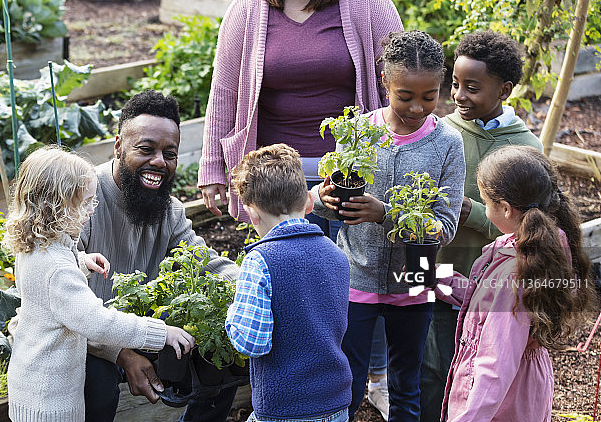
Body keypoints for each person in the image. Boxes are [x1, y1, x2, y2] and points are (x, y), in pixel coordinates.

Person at [198, 0, 403, 235]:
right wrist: (212, 166)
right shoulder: (248, 6)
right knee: (289, 270)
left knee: (351, 271)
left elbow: (397, 72)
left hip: (350, 173)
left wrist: (403, 146)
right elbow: (224, 90)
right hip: (275, 179)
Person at [311, 30, 466, 422]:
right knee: (346, 383)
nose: (417, 107)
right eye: (405, 96)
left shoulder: (447, 143)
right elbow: (334, 204)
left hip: (415, 278)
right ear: (385, 82)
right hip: (355, 275)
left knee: (405, 386)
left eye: (429, 96)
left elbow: (445, 226)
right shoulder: (359, 132)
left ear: (441, 86)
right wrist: (327, 202)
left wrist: (386, 214)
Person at [79, 90, 241, 422]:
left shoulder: (168, 210)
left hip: (146, 331)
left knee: (221, 354)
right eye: (146, 149)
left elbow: (204, 262)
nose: (159, 162)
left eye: (170, 153)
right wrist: (121, 354)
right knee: (96, 381)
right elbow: (63, 303)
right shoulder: (82, 201)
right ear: (118, 146)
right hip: (86, 339)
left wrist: (255, 282)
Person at [4, 146, 196, 422]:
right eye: (84, 203)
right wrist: (161, 333)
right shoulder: (56, 268)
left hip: (33, 385)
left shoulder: (38, 246)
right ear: (56, 205)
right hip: (51, 401)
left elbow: (43, 282)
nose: (91, 210)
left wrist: (81, 262)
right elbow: (97, 321)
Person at [419, 30, 543, 422]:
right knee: (429, 370)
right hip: (433, 271)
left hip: (492, 289)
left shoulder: (526, 149)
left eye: (471, 88)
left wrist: (467, 210)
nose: (457, 95)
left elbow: (528, 231)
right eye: (454, 84)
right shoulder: (440, 131)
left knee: (479, 372)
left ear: (504, 89)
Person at [435, 145, 594, 421]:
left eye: (485, 202)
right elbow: (486, 300)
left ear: (506, 209)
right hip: (521, 388)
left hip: (501, 403)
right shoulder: (545, 243)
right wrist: (434, 277)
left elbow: (495, 367)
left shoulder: (515, 272)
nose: (484, 209)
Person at [225, 143, 351, 422]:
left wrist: (233, 313)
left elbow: (251, 341)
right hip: (336, 401)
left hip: (285, 408)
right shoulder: (337, 254)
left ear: (252, 213)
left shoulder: (260, 261)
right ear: (308, 201)